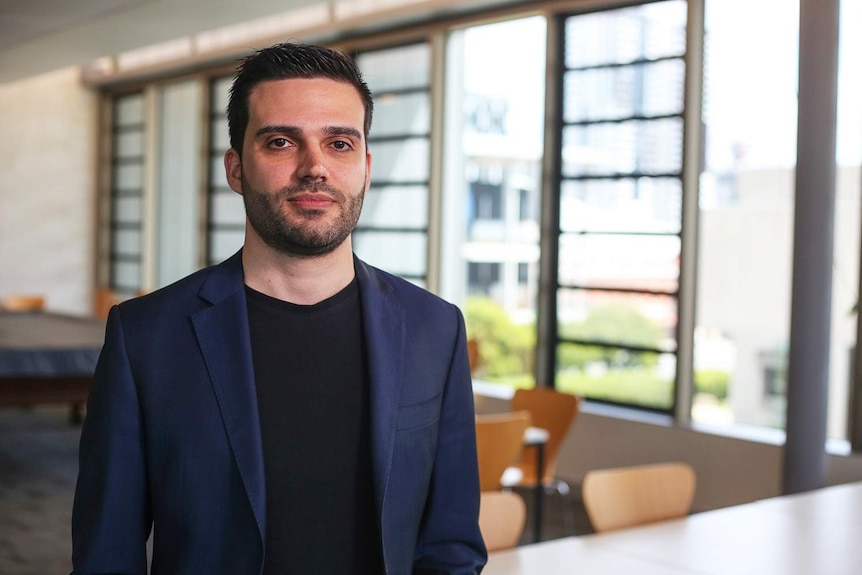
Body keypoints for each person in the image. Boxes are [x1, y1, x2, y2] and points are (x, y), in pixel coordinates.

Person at [71, 42, 487, 575]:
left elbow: (451, 545)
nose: (314, 167)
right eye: (280, 142)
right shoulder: (146, 336)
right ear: (237, 168)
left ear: (364, 166)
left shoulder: (435, 327)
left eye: (338, 143)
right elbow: (107, 554)